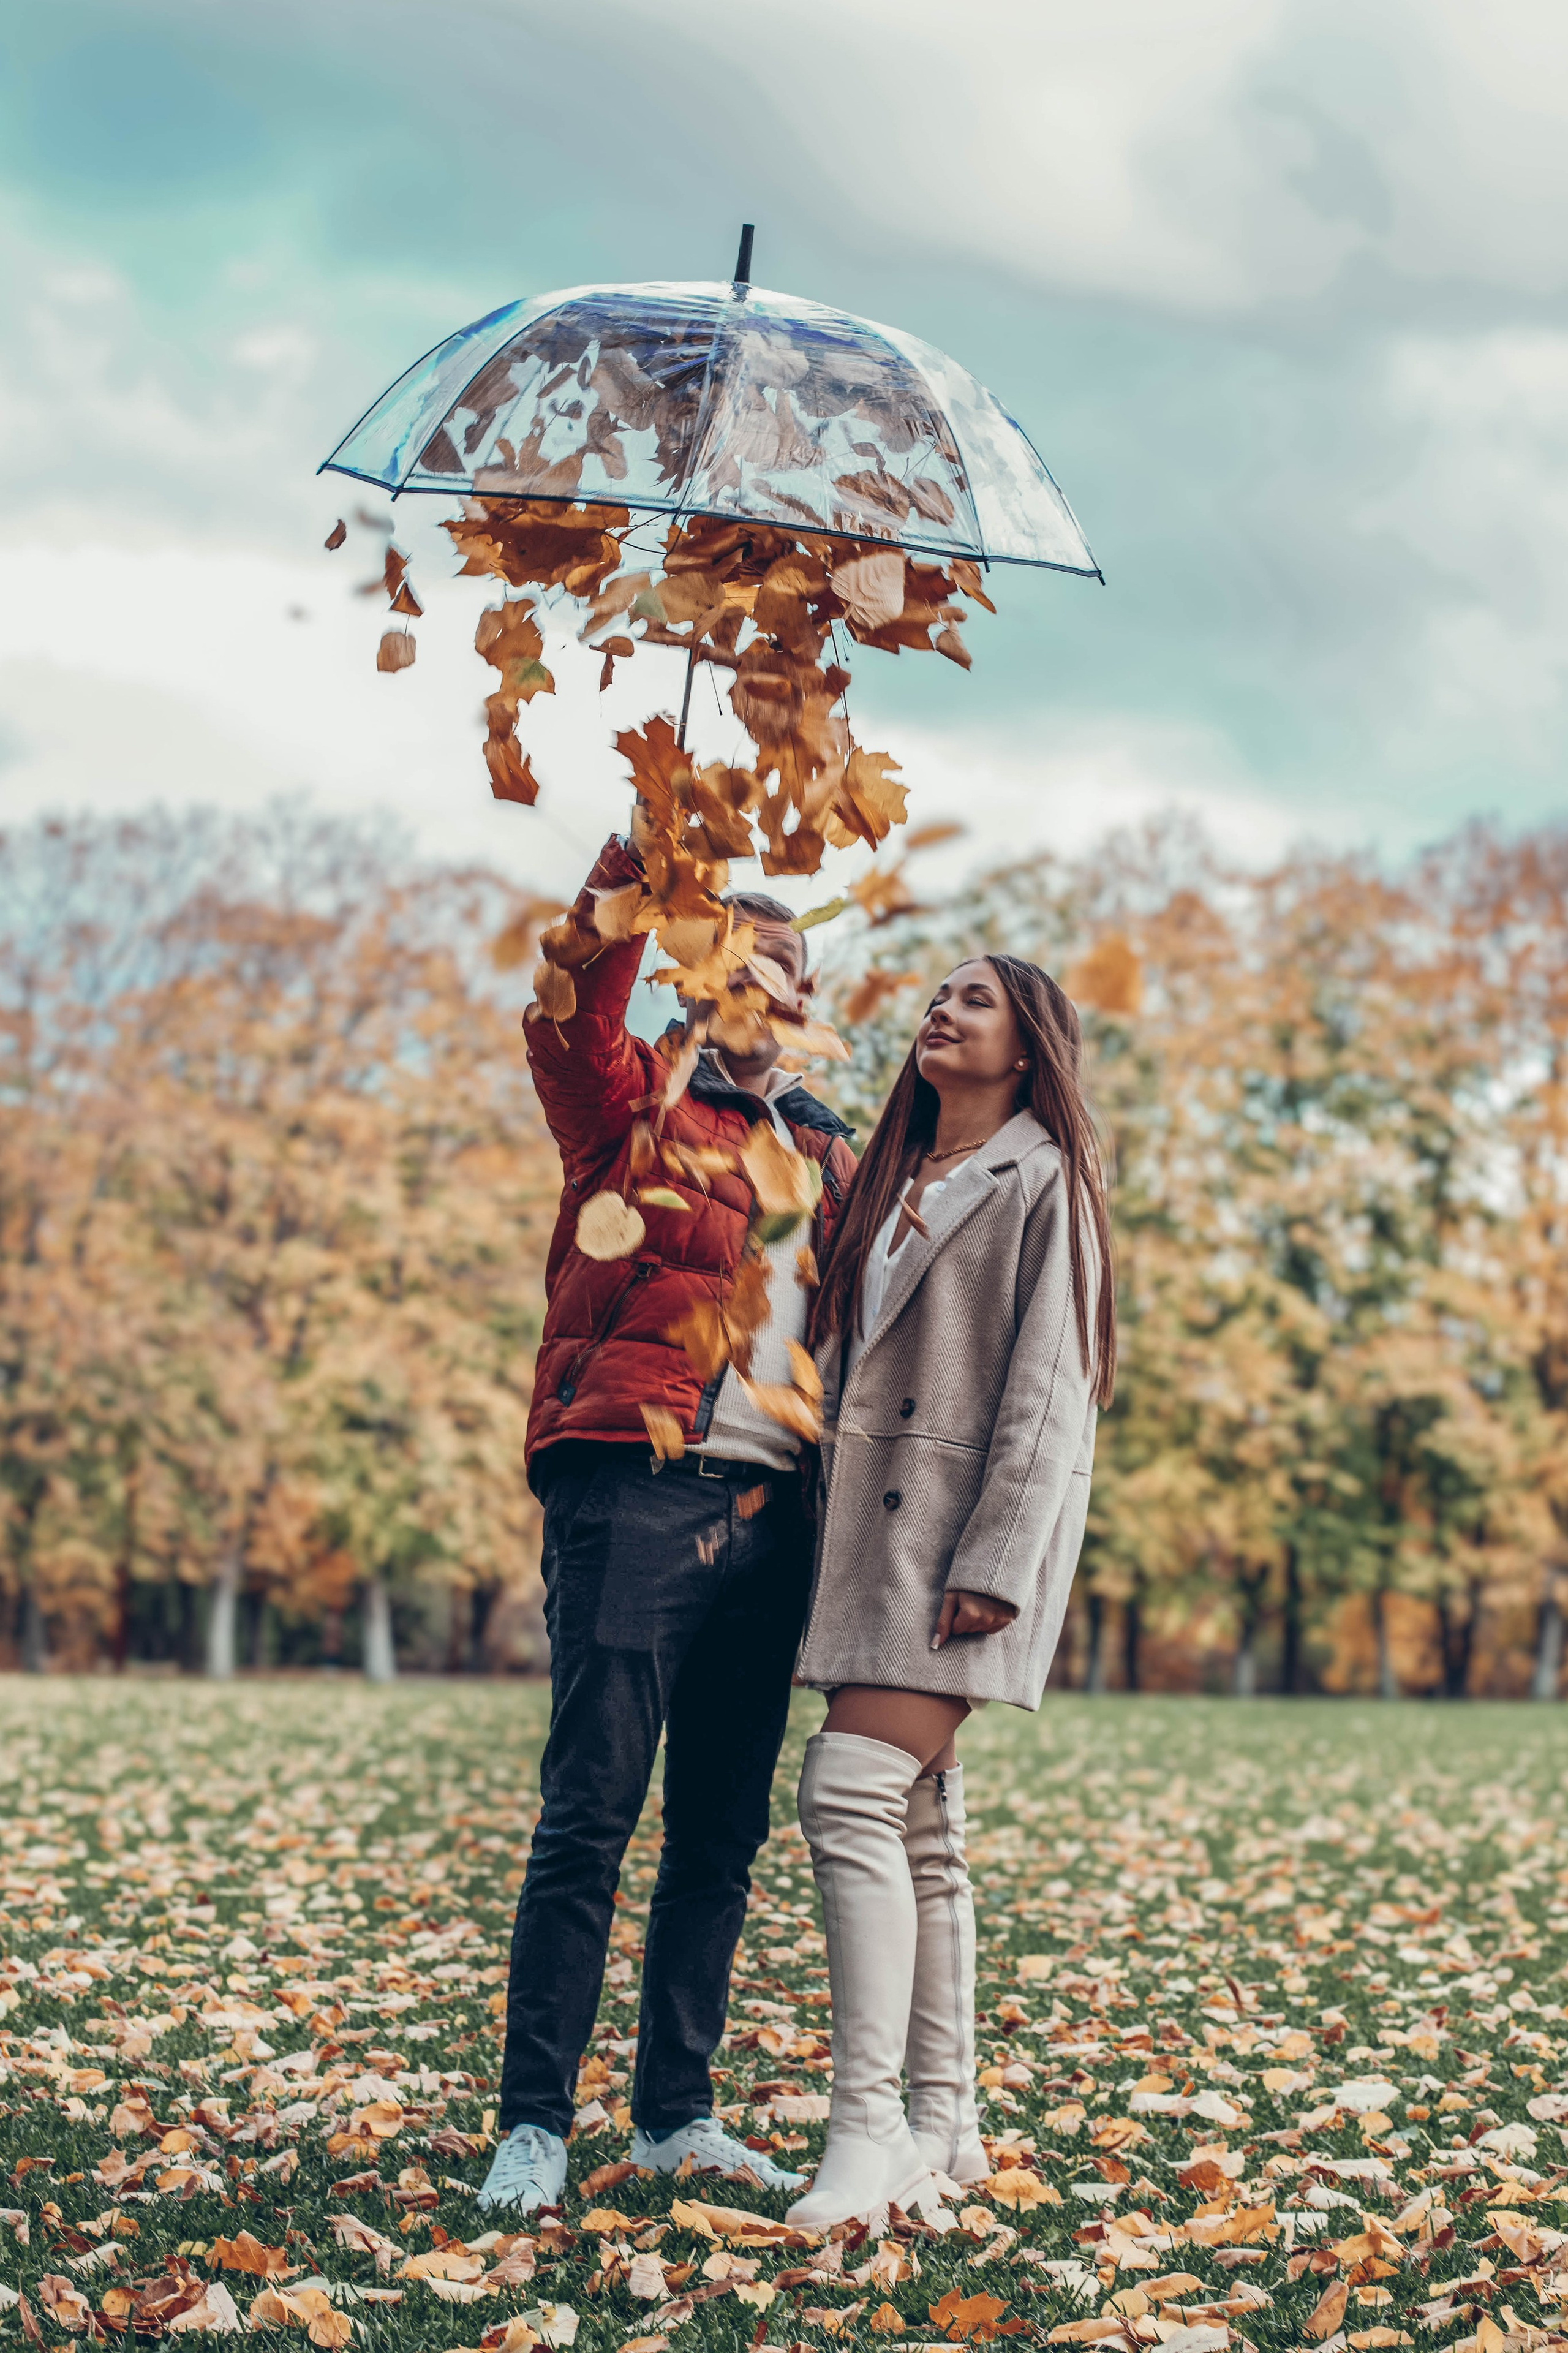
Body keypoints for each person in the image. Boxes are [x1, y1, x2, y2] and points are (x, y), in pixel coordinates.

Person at [477, 835, 859, 2216]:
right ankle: (533, 2126)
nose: (769, 984)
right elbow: (569, 1014)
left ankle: (672, 2117)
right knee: (589, 1814)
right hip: (634, 1488)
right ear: (697, 978)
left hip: (773, 1517)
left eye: (791, 970)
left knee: (720, 1830)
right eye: (741, 961)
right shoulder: (630, 1103)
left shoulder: (827, 1149)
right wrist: (635, 870)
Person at [783, 953, 1117, 2229]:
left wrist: (996, 1561)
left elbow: (1049, 1389)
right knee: (920, 1830)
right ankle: (946, 2120)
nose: (941, 1008)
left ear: (1027, 1044)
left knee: (847, 1791)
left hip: (952, 1544)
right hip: (861, 1538)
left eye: (974, 998)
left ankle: (866, 2127)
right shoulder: (883, 1180)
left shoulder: (1045, 1179)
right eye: (935, 994)